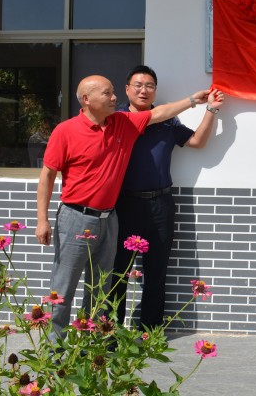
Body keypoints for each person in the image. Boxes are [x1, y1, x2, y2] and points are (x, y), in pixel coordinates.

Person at [35, 74, 215, 340]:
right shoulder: (66, 131)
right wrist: (42, 219)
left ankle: (93, 345)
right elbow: (47, 175)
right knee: (63, 287)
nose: (114, 97)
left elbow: (159, 114)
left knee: (101, 287)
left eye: (113, 92)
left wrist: (192, 100)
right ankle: (54, 349)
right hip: (75, 217)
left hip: (109, 219)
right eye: (107, 93)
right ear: (87, 99)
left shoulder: (122, 123)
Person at [111, 65, 223, 330]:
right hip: (125, 204)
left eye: (149, 85)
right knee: (118, 272)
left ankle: (149, 331)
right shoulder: (117, 120)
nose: (144, 90)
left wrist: (211, 110)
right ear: (127, 89)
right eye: (138, 85)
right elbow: (152, 116)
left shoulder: (168, 121)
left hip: (161, 204)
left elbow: (197, 142)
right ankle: (112, 332)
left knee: (156, 271)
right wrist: (192, 99)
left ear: (155, 90)